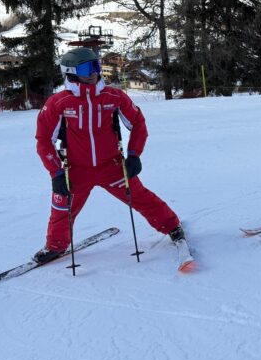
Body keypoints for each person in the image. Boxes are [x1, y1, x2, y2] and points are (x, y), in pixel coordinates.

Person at [33, 48, 188, 263]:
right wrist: (56, 173)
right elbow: (43, 140)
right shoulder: (59, 103)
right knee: (61, 207)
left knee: (140, 197)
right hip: (76, 170)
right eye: (88, 68)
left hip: (111, 166)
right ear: (70, 72)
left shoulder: (113, 96)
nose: (95, 73)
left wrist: (134, 154)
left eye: (97, 66)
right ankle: (55, 246)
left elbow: (138, 123)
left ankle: (172, 226)